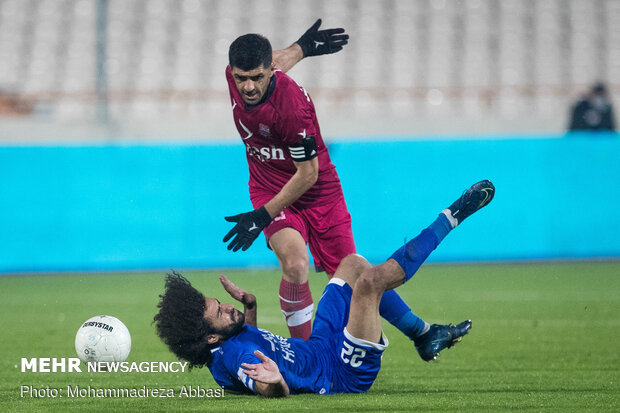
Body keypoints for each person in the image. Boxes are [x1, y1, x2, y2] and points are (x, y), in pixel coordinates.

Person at [222, 20, 452, 355]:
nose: (249, 87)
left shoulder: (292, 108)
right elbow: (280, 58)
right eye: (242, 78)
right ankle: (304, 356)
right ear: (232, 71)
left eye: (257, 77)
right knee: (296, 262)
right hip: (270, 187)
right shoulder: (240, 75)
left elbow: (308, 175)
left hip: (317, 190)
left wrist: (261, 216)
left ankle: (423, 333)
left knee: (356, 273)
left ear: (268, 72)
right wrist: (304, 46)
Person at [156, 180, 495, 396]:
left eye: (220, 304)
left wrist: (251, 310)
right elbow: (261, 380)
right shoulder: (234, 357)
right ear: (211, 337)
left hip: (320, 346)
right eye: (220, 312)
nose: (227, 307)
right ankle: (450, 217)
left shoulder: (225, 347)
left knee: (351, 263)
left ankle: (423, 334)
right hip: (342, 373)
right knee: (370, 283)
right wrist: (274, 385)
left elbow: (252, 348)